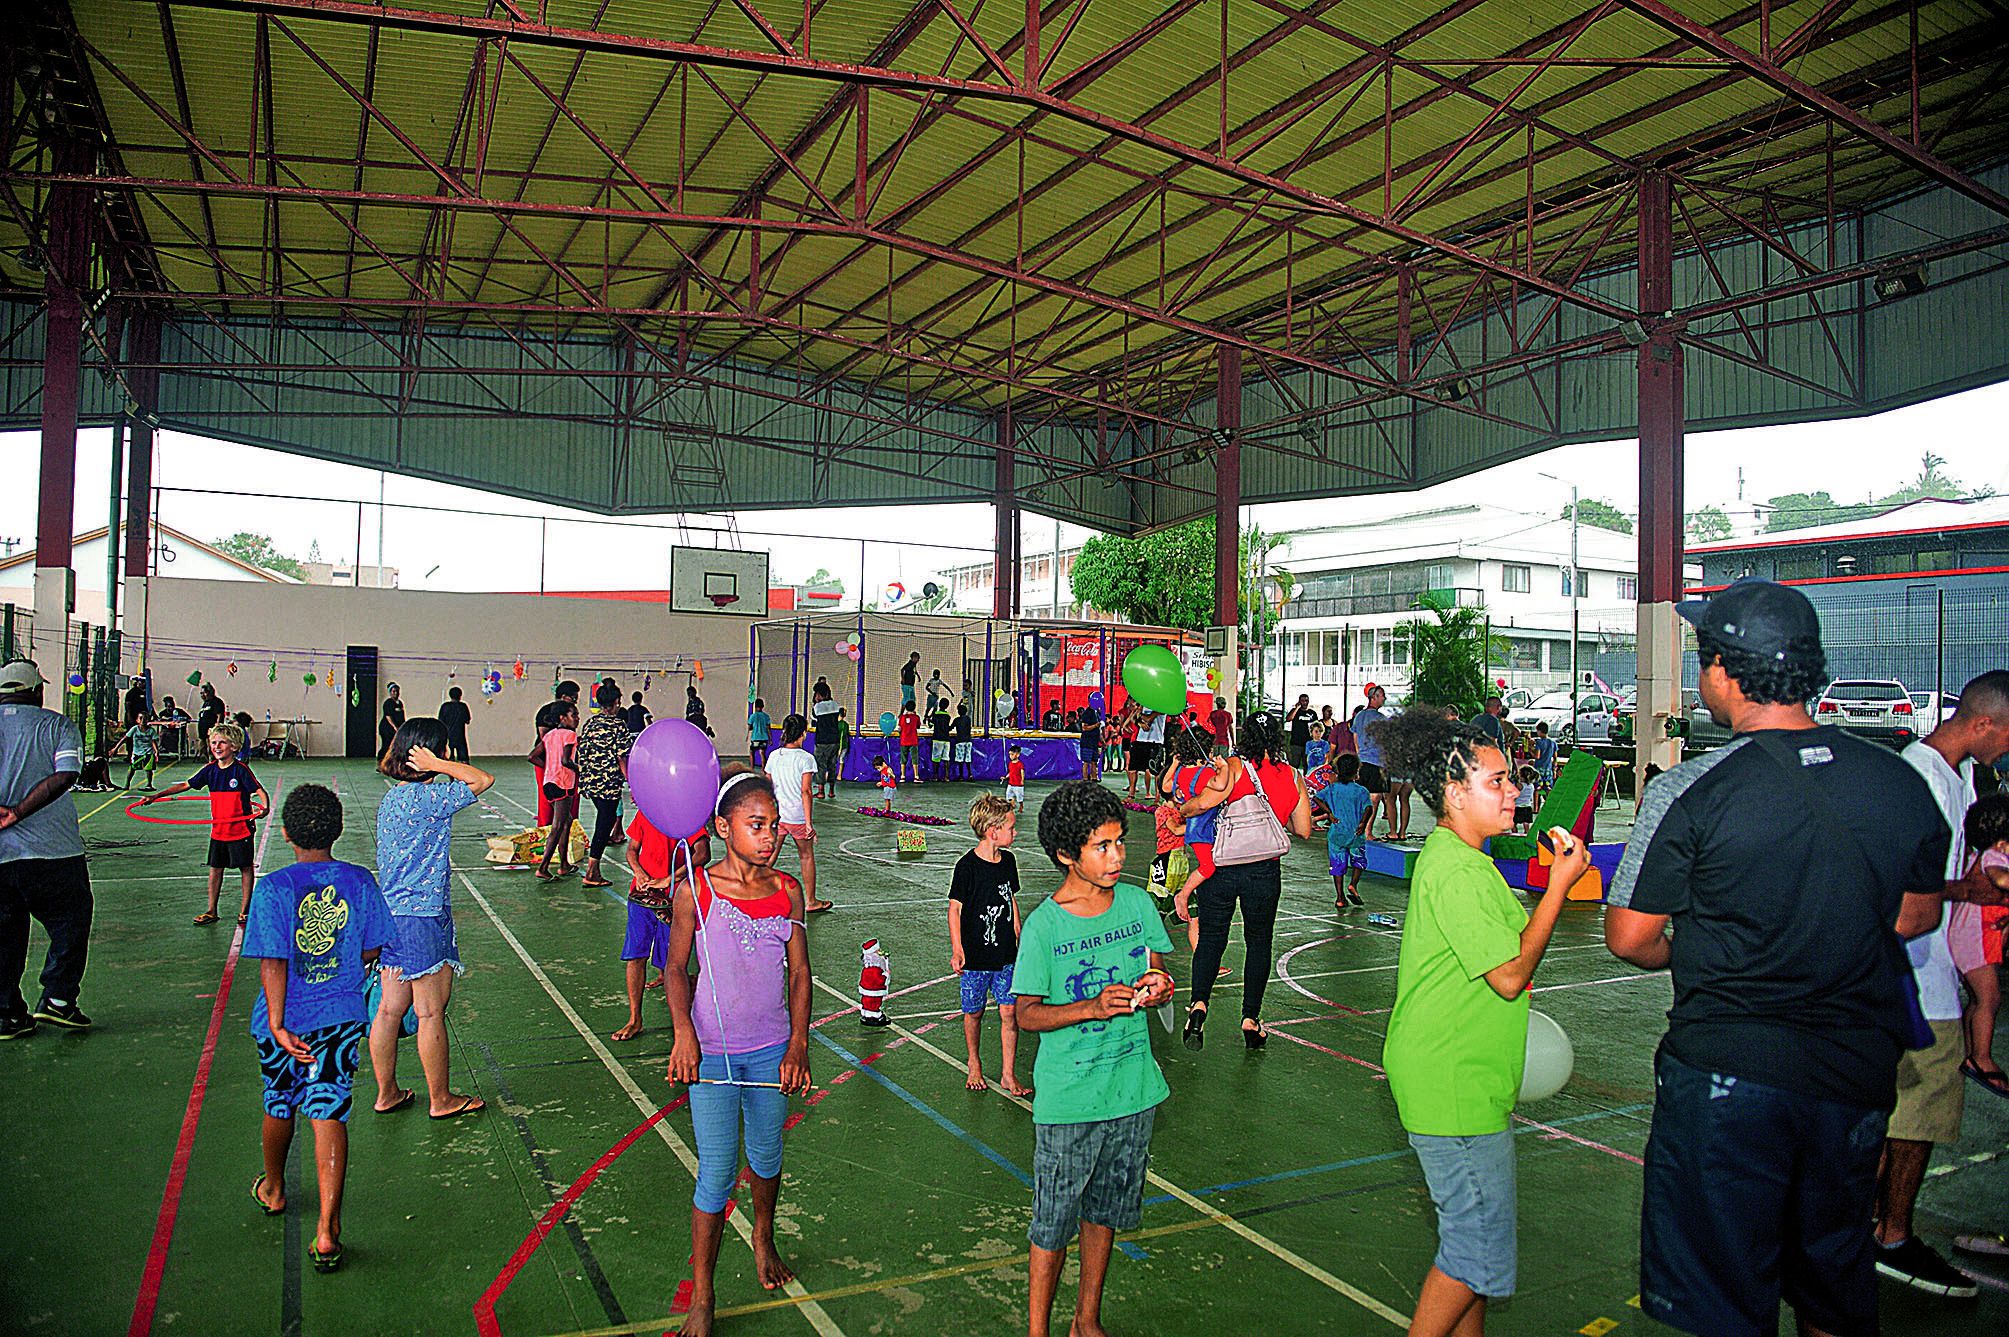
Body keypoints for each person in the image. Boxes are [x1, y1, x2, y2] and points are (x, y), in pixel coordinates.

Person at [1603, 580, 1994, 1334]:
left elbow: (1630, 936)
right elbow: (1913, 914)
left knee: (1722, 1291)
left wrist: (1706, 942)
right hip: (1851, 1073)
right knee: (1831, 1277)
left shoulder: (1688, 789)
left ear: (1723, 671)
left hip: (1725, 1074)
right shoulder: (1897, 779)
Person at [1379, 708, 1590, 1337]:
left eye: (1510, 779)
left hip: (1468, 1076)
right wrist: (1559, 886)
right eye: (1497, 781)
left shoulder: (1465, 861)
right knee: (1476, 1252)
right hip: (1451, 1081)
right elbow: (1509, 974)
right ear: (1453, 793)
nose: (1514, 790)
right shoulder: (1456, 869)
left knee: (1472, 1254)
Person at [1014, 781, 1175, 1337]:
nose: (1116, 856)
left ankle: (1087, 1319)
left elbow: (1155, 970)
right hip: (1071, 1099)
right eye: (1101, 846)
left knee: (1105, 1212)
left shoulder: (1136, 904)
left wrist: (1159, 983)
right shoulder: (1043, 926)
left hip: (1133, 1090)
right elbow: (1027, 1013)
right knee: (1053, 1222)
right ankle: (1038, 1330)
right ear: (1066, 854)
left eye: (1119, 842)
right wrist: (1089, 1008)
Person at [663, 771, 814, 1335]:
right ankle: (703, 1296)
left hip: (772, 1050)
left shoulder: (788, 890)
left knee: (769, 1157)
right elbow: (675, 969)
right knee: (717, 1175)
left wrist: (798, 1043)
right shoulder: (695, 891)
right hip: (713, 1055)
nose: (769, 836)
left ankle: (763, 1234)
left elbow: (800, 974)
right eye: (757, 826)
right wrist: (684, 1033)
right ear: (723, 828)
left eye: (773, 826)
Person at [1878, 669, 2009, 1294]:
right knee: (1916, 1117)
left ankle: (1874, 1230)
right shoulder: (1920, 775)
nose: (2005, 751)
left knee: (1909, 1114)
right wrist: (1970, 890)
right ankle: (1890, 1236)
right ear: (1983, 723)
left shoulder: (1959, 777)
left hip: (1936, 975)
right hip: (1915, 980)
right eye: (2005, 737)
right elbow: (1903, 885)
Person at [241, 783, 395, 1273]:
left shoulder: (273, 887)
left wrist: (278, 1021)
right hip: (338, 1017)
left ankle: (275, 1187)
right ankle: (328, 1230)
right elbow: (372, 949)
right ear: (338, 829)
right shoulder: (359, 880)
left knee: (278, 1099)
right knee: (329, 1109)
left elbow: (273, 960)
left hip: (281, 1021)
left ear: (285, 833)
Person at [371, 718, 493, 1119]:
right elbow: (482, 779)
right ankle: (440, 1099)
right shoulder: (429, 799)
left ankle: (386, 1091)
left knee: (390, 1010)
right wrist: (438, 764)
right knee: (428, 1012)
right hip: (422, 917)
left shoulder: (392, 798)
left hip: (391, 913)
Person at [1176, 711, 1312, 1050]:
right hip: (1264, 870)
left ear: (1244, 735)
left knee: (1211, 938)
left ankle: (1198, 1005)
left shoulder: (1234, 768)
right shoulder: (1293, 775)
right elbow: (1304, 829)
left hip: (1222, 867)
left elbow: (1199, 806)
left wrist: (1183, 807)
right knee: (1259, 943)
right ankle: (1251, 1018)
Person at [0, 660, 94, 1038]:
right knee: (71, 921)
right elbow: (67, 774)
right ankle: (57, 999)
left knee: (4, 933)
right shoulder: (58, 725)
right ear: (38, 691)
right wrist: (18, 812)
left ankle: (6, 1014)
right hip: (54, 852)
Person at [145, 725, 269, 927]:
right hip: (219, 830)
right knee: (215, 869)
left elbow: (259, 791)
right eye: (213, 743)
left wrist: (265, 806)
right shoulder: (209, 770)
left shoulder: (240, 770)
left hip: (240, 829)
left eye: (222, 742)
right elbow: (185, 785)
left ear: (234, 746)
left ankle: (245, 910)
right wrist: (156, 796)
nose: (216, 746)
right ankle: (211, 910)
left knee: (245, 868)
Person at [949, 794, 1031, 1096]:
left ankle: (1008, 1074)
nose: (1015, 832)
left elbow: (1010, 897)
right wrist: (958, 948)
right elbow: (954, 908)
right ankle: (974, 1062)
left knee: (1009, 1013)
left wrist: (1018, 930)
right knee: (974, 1013)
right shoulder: (967, 867)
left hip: (1006, 955)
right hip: (976, 956)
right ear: (992, 831)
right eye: (1011, 826)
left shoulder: (1008, 862)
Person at [612, 809, 709, 1043]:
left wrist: (672, 877)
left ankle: (684, 1022)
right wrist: (639, 871)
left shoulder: (688, 814)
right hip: (642, 894)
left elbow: (702, 854)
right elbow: (632, 849)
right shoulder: (645, 813)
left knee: (675, 964)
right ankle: (635, 1018)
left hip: (676, 898)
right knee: (635, 956)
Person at [1958, 792, 2009, 1095]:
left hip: (1977, 936)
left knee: (1980, 998)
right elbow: (2002, 881)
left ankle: (1971, 1051)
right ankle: (1981, 1057)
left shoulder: (1991, 854)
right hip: (1973, 937)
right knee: (1989, 998)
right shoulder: (1993, 857)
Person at [766, 715, 833, 916]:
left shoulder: (773, 756)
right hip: (796, 817)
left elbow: (768, 787)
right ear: (803, 734)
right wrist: (809, 823)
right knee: (806, 856)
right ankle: (811, 901)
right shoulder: (806, 759)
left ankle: (749, 892)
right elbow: (806, 792)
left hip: (777, 816)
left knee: (768, 856)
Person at [1165, 724, 1218, 956]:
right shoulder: (1206, 772)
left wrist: (1175, 763)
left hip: (1195, 827)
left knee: (1211, 864)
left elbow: (1166, 786)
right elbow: (1222, 786)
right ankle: (1184, 894)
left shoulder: (1180, 773)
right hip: (1204, 826)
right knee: (1208, 866)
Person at [577, 683, 634, 890]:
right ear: (616, 703)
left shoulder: (590, 724)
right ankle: (593, 870)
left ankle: (594, 868)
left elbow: (582, 752)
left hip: (591, 781)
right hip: (608, 782)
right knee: (605, 820)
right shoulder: (618, 725)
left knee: (604, 818)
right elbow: (622, 757)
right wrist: (632, 783)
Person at [1315, 753, 1374, 911]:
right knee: (1359, 861)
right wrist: (1362, 823)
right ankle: (1353, 885)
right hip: (1355, 833)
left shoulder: (1332, 789)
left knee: (1337, 865)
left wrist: (1329, 813)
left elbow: (1317, 798)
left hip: (1337, 833)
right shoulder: (1361, 791)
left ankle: (1340, 898)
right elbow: (1368, 808)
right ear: (1356, 772)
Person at [534, 701, 580, 881]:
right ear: (563, 718)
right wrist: (580, 769)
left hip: (549, 783)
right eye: (573, 715)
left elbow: (533, 756)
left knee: (566, 820)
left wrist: (548, 769)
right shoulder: (570, 735)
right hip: (563, 784)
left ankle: (564, 864)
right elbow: (566, 761)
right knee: (558, 825)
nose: (577, 719)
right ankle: (543, 867)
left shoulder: (550, 735)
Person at [532, 681, 582, 827]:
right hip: (548, 763)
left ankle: (571, 833)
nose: (576, 701)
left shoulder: (569, 726)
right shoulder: (546, 712)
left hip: (567, 764)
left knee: (572, 799)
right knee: (547, 801)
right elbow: (545, 739)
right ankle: (545, 831)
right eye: (573, 697)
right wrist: (552, 765)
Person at [1353, 685, 1391, 835]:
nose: (1384, 699)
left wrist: (1360, 754)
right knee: (1374, 799)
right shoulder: (1381, 719)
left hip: (1362, 762)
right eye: (1382, 696)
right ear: (1374, 697)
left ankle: (1359, 828)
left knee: (1362, 799)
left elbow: (1355, 738)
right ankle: (1367, 832)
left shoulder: (1359, 716)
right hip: (1376, 763)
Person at [809, 684, 842, 800]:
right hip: (835, 741)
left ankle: (821, 791)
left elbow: (813, 717)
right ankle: (832, 791)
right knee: (832, 765)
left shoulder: (817, 707)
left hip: (822, 741)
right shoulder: (835, 705)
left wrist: (816, 702)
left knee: (821, 766)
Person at [438, 686, 472, 763]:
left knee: (449, 756)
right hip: (460, 734)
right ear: (460, 695)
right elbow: (467, 720)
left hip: (448, 734)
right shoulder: (463, 706)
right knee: (463, 758)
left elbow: (440, 720)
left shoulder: (445, 706)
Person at [376, 683, 405, 764]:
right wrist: (395, 727)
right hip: (387, 729)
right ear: (390, 692)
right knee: (386, 745)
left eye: (397, 691)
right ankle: (380, 763)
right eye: (393, 691)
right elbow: (388, 717)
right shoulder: (388, 703)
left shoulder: (400, 703)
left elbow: (402, 716)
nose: (396, 693)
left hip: (397, 729)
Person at [1285, 693, 1316, 770]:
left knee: (1307, 764)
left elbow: (1316, 726)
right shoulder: (1295, 712)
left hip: (1308, 742)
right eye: (1302, 701)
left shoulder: (1312, 713)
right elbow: (1288, 719)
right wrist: (1297, 708)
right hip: (1296, 742)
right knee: (1294, 764)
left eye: (1306, 700)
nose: (1304, 702)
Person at [929, 698, 954, 782]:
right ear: (947, 706)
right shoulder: (948, 716)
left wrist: (929, 718)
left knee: (936, 758)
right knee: (946, 758)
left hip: (937, 739)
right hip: (946, 739)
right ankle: (946, 776)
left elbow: (930, 725)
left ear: (939, 705)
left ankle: (935, 776)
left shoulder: (935, 715)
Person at [897, 703, 922, 784]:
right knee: (915, 759)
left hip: (904, 740)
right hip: (913, 741)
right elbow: (918, 726)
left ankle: (902, 776)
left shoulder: (902, 717)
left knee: (903, 759)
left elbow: (899, 728)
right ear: (914, 708)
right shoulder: (916, 717)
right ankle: (916, 776)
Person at [1531, 721, 1557, 797]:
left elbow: (1537, 756)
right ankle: (1549, 805)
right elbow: (1555, 758)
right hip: (1548, 769)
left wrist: (1530, 750)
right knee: (1548, 788)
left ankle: (1536, 807)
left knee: (1537, 789)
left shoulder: (1539, 742)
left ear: (1539, 731)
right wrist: (1554, 770)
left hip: (1539, 769)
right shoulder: (1553, 742)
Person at [1076, 707, 1101, 782]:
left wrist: (1102, 741)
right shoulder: (1087, 713)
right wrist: (1095, 725)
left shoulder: (1097, 712)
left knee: (1094, 761)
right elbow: (1084, 727)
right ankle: (1085, 779)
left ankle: (1094, 778)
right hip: (1087, 742)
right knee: (1086, 762)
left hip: (1094, 742)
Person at [952, 702, 974, 781]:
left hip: (960, 741)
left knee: (960, 759)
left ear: (958, 712)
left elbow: (951, 727)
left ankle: (961, 776)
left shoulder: (957, 720)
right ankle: (970, 774)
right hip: (968, 740)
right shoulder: (968, 719)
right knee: (968, 759)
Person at [747, 698, 772, 767]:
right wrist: (770, 739)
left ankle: (752, 768)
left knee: (752, 753)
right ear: (763, 706)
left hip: (755, 737)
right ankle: (763, 769)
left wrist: (747, 736)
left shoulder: (753, 716)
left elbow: (749, 728)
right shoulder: (766, 716)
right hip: (764, 738)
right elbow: (768, 728)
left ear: (755, 706)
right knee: (762, 754)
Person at [1513, 765, 1537, 833]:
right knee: (1526, 824)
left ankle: (1514, 834)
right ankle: (1526, 834)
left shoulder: (1520, 785)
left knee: (1513, 823)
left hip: (1518, 807)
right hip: (1527, 807)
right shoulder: (1531, 786)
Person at [1005, 745, 1025, 812]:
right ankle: (1012, 805)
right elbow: (1010, 772)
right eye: (1010, 754)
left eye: (1012, 754)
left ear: (1018, 755)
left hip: (1018, 785)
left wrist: (1022, 780)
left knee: (1019, 798)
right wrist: (1005, 777)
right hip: (1010, 784)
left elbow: (1022, 772)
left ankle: (1021, 805)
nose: (1010, 756)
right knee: (1008, 795)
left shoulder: (1020, 764)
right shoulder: (1010, 763)